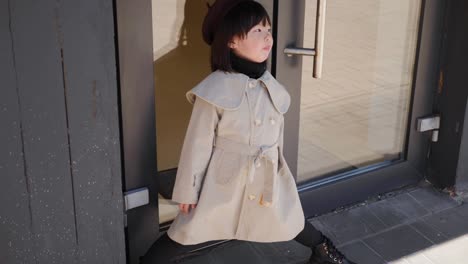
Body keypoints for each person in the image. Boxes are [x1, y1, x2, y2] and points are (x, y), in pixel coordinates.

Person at [143, 1, 356, 263]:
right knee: (187, 232)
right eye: (257, 30)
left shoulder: (271, 87)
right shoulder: (214, 90)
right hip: (223, 181)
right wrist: (188, 190)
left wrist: (279, 174)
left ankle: (323, 249)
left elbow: (275, 139)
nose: (268, 36)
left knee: (288, 217)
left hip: (264, 176)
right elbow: (196, 144)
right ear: (231, 41)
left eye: (268, 29)